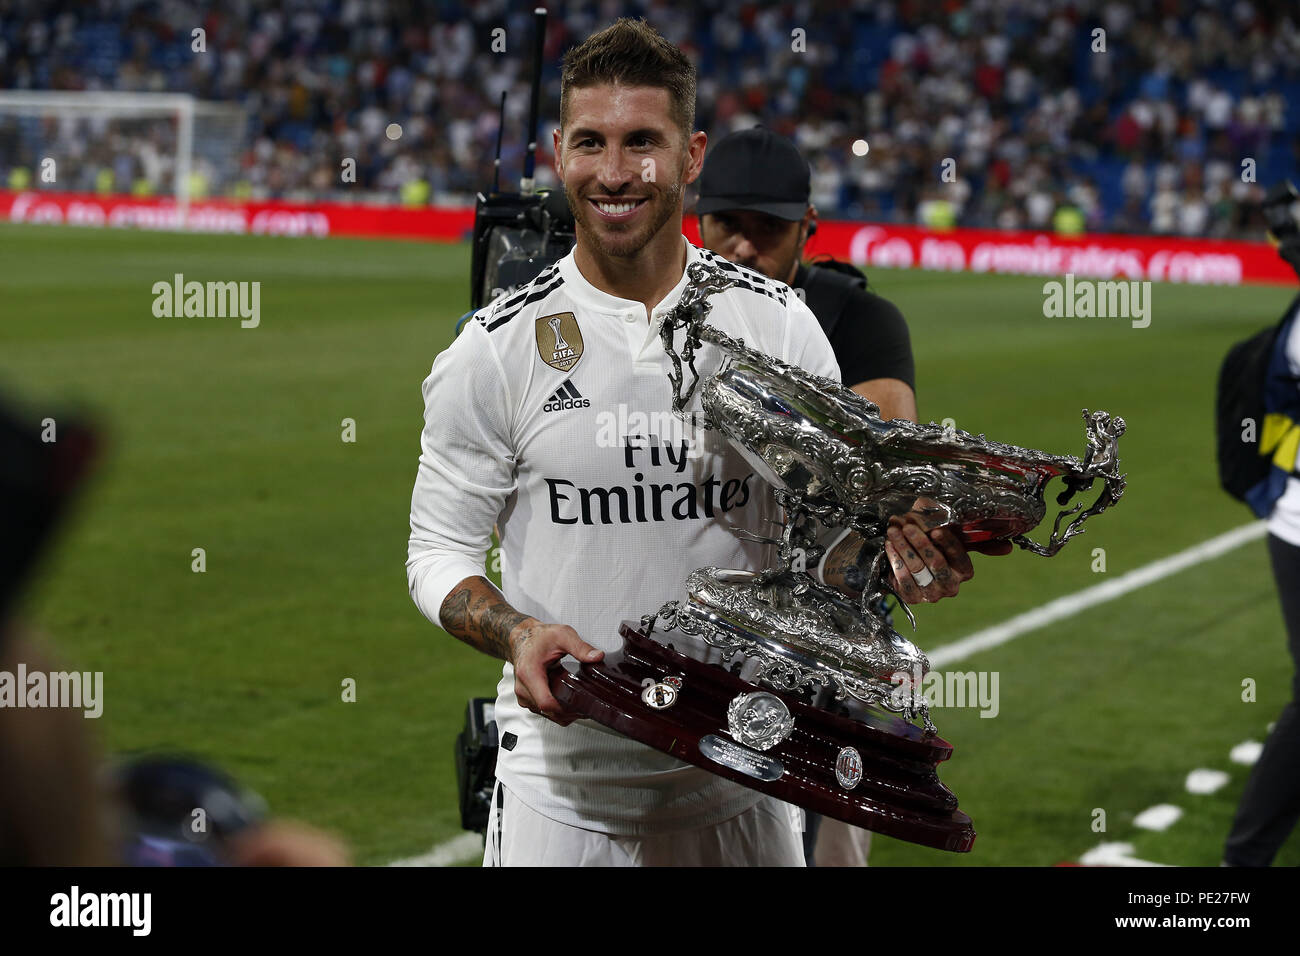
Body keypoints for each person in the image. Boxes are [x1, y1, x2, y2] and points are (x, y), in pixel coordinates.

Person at [406, 18, 981, 867]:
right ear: (559, 150)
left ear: (692, 155)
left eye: (644, 141)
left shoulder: (779, 326)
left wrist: (901, 553)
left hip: (743, 779)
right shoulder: (494, 350)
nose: (614, 172)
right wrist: (516, 631)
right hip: (564, 795)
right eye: (592, 143)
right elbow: (436, 549)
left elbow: (827, 538)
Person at [697, 127, 914, 867]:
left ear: (807, 231)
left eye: (769, 229)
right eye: (729, 224)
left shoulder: (860, 320)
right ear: (697, 219)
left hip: (824, 647)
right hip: (694, 635)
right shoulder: (657, 320)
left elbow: (876, 484)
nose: (744, 248)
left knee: (827, 855)